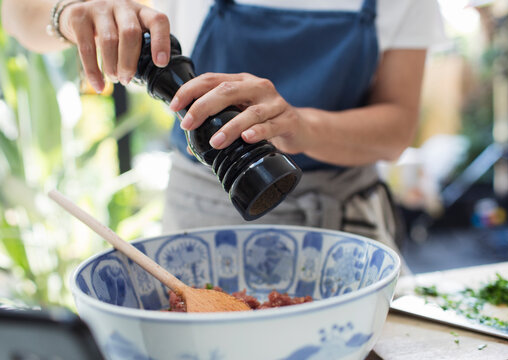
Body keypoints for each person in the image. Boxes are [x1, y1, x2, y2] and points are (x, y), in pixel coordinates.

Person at [1, 0, 446, 270]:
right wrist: (67, 15)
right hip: (204, 219)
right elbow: (19, 12)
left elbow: (397, 128)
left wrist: (301, 125)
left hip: (345, 224)